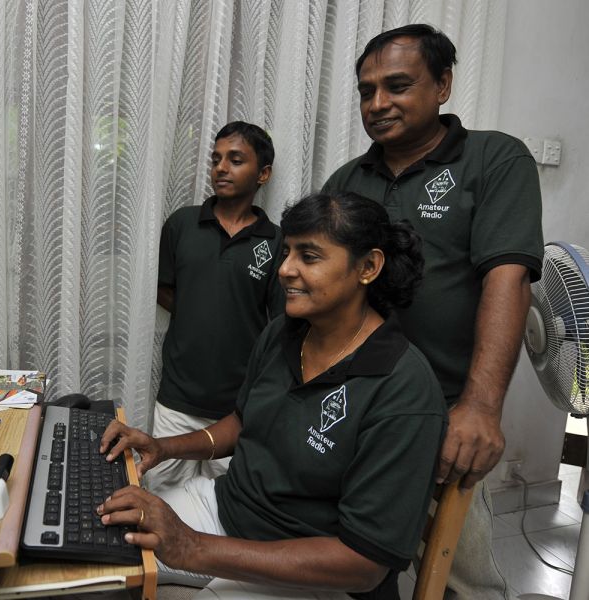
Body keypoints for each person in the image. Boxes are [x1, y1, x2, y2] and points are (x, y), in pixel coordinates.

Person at [98, 192, 447, 600]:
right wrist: (164, 446)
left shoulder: (404, 390)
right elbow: (243, 422)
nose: (284, 270)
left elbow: (363, 566)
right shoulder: (284, 333)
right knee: (95, 554)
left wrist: (193, 547)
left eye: (309, 257)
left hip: (307, 567)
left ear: (368, 267)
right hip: (227, 509)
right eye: (286, 253)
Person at [322, 24, 544, 599]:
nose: (378, 104)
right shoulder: (348, 180)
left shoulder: (494, 157)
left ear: (443, 84)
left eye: (397, 86)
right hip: (355, 405)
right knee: (359, 563)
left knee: (459, 577)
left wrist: (480, 406)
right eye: (366, 91)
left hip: (446, 410)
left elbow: (509, 276)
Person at [151, 121, 285, 492]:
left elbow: (280, 320)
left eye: (236, 159)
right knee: (159, 500)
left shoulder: (276, 241)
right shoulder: (182, 224)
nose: (221, 168)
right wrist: (201, 311)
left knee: (224, 511)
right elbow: (165, 290)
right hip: (177, 402)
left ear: (263, 174)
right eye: (216, 159)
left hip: (237, 411)